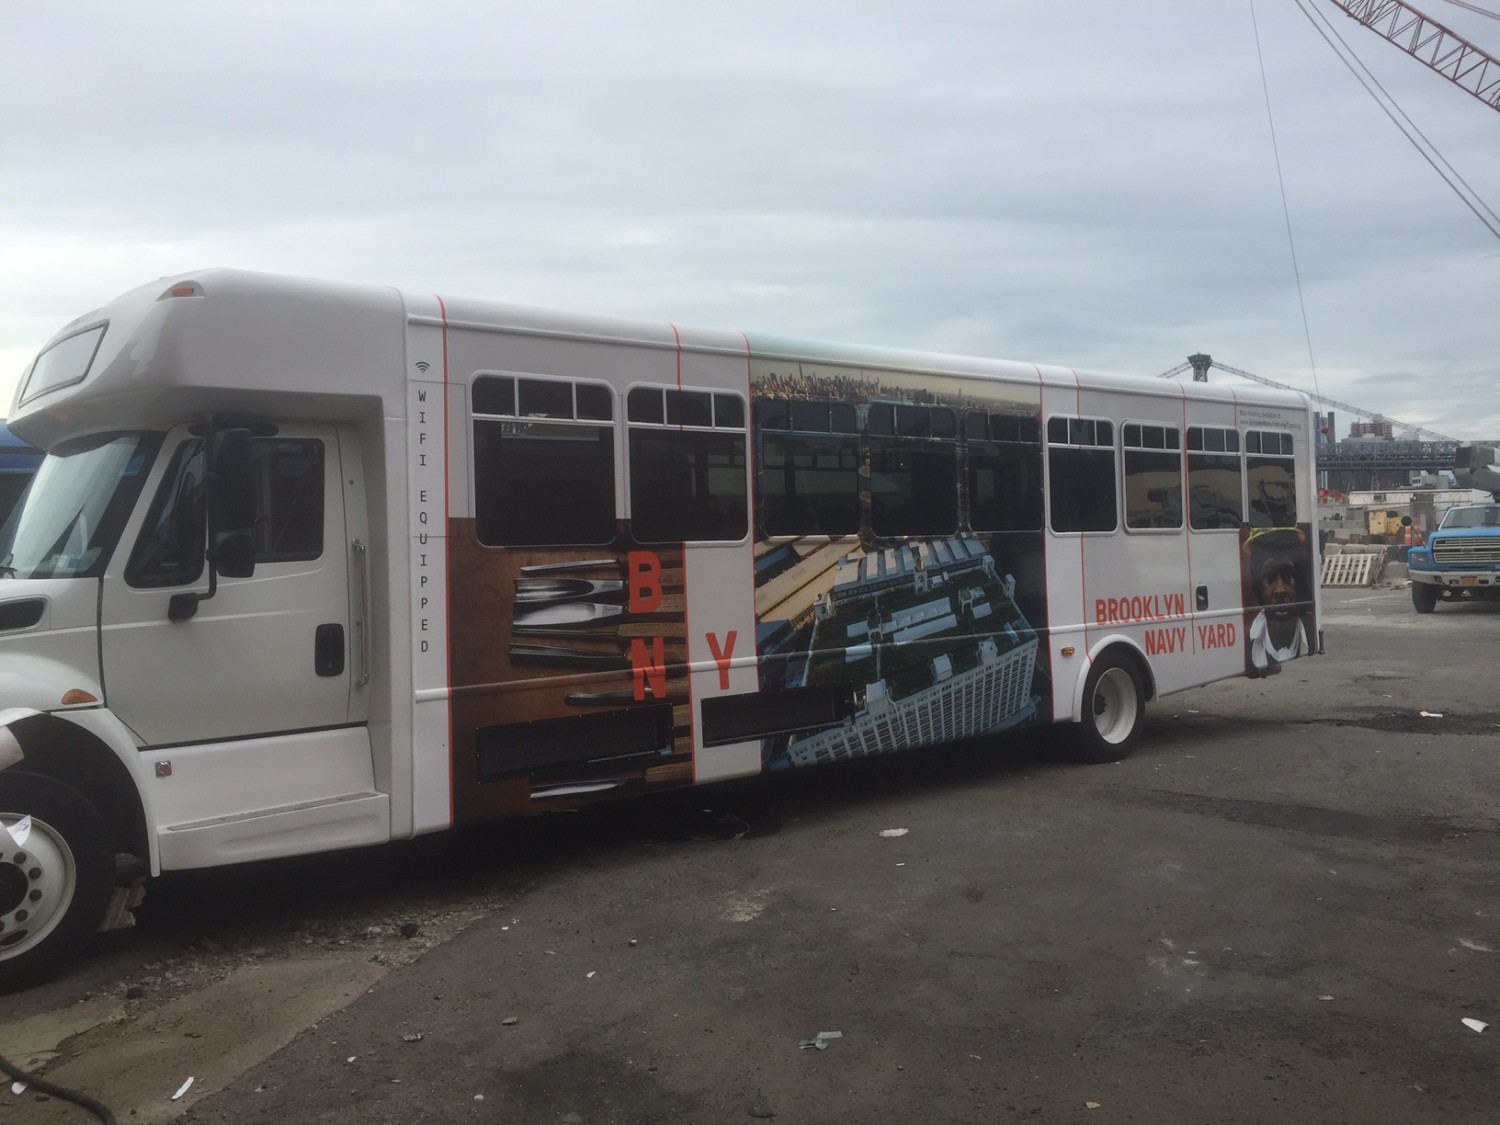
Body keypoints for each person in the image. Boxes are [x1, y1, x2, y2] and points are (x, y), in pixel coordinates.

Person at [1248, 555, 1307, 671]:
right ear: (1259, 589)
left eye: (1287, 578)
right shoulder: (1246, 646)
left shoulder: (1311, 638)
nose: (1280, 590)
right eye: (1270, 579)